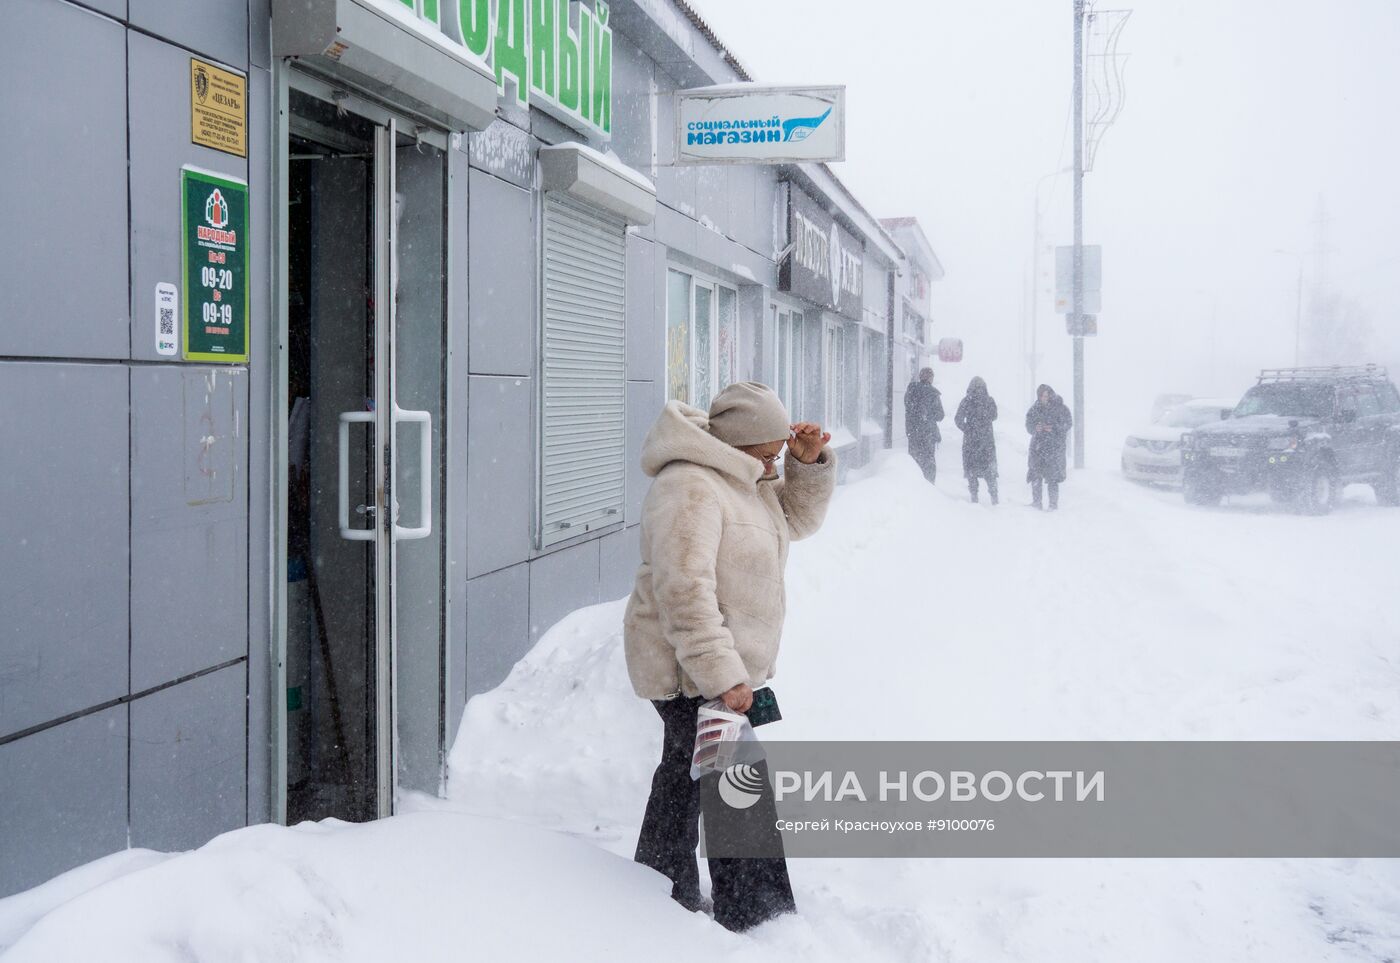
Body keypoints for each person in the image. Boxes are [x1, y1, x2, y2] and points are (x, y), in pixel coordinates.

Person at [624, 382, 835, 932]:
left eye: (776, 454)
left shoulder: (744, 478)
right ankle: (756, 913)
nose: (773, 464)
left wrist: (804, 466)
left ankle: (658, 890)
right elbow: (684, 593)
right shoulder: (690, 487)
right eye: (767, 453)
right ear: (737, 443)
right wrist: (723, 677)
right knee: (736, 781)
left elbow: (794, 523)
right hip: (690, 671)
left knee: (685, 779)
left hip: (713, 670)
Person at [1026, 384, 1073, 510]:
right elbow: (1028, 424)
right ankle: (1037, 502)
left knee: (1052, 477)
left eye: (1046, 395)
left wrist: (1053, 428)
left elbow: (1068, 424)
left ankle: (1053, 504)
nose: (1044, 398)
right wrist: (1035, 428)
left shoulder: (1060, 408)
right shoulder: (1035, 408)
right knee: (1036, 474)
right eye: (1042, 396)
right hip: (1038, 447)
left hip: (1054, 448)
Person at [954, 376, 999, 504]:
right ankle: (994, 499)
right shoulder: (989, 400)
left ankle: (974, 498)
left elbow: (958, 419)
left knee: (972, 471)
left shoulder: (966, 401)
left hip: (971, 442)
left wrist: (967, 428)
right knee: (990, 472)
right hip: (986, 442)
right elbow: (994, 416)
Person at [903, 367, 944, 483]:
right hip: (928, 434)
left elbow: (907, 408)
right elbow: (940, 415)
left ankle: (914, 484)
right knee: (928, 461)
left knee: (914, 460)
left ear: (920, 377)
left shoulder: (911, 391)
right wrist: (929, 415)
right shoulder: (933, 394)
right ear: (930, 378)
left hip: (913, 432)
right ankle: (929, 486)